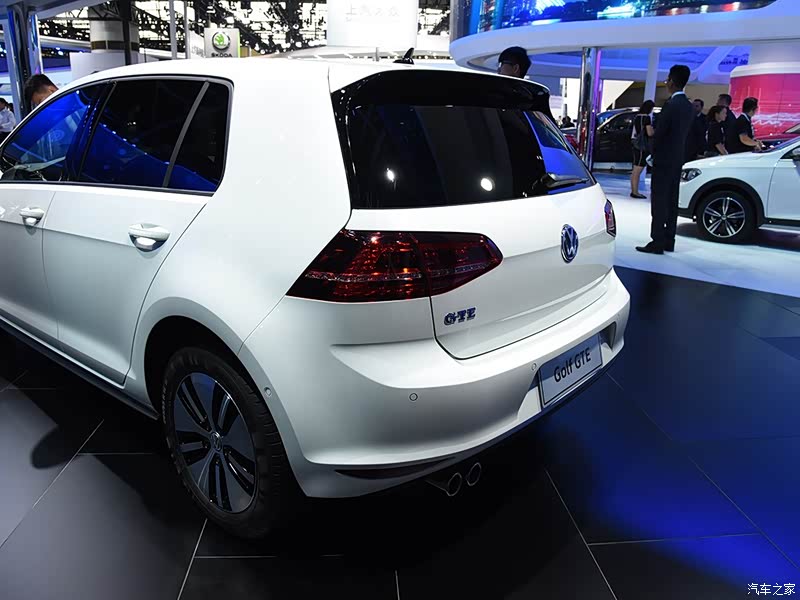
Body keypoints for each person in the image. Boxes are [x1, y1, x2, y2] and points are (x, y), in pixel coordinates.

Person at [636, 65, 694, 255]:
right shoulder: (688, 106)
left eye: (668, 79)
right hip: (677, 159)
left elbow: (660, 134)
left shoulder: (671, 105)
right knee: (671, 201)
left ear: (672, 82)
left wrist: (653, 153)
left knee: (659, 202)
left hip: (663, 160)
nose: (666, 82)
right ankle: (670, 240)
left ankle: (657, 241)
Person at [630, 99, 655, 199]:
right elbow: (649, 133)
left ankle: (634, 190)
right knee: (638, 169)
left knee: (635, 169)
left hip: (636, 144)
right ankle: (635, 192)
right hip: (642, 145)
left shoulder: (637, 117)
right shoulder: (646, 118)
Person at [684, 98, 707, 162]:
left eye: (696, 106)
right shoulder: (687, 118)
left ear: (701, 108)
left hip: (699, 146)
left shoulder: (705, 118)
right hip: (688, 146)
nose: (694, 108)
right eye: (693, 106)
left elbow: (703, 132)